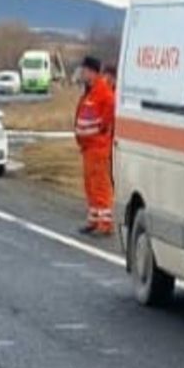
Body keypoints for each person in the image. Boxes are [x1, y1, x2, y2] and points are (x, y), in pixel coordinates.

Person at [75, 56, 115, 235]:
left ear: (92, 72)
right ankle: (94, 218)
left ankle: (105, 222)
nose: (82, 74)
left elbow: (110, 108)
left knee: (99, 184)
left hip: (98, 147)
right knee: (90, 184)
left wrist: (100, 129)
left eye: (84, 71)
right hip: (88, 147)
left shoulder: (102, 91)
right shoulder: (89, 92)